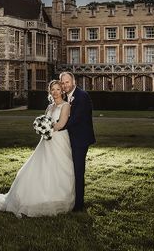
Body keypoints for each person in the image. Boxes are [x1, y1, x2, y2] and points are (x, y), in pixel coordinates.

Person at [0, 80, 75, 217]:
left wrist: (47, 129)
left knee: (59, 168)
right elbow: (45, 119)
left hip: (60, 140)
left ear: (62, 91)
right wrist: (41, 128)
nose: (55, 92)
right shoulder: (49, 107)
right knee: (42, 167)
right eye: (53, 89)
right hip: (46, 141)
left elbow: (61, 123)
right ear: (50, 92)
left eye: (57, 89)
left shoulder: (66, 105)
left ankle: (58, 198)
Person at [59, 71, 96, 212]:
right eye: (62, 82)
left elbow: (76, 119)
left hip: (80, 140)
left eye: (67, 82)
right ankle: (70, 198)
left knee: (78, 171)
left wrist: (58, 127)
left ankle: (79, 204)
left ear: (73, 82)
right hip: (69, 139)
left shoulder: (82, 96)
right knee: (69, 170)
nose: (64, 85)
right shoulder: (65, 96)